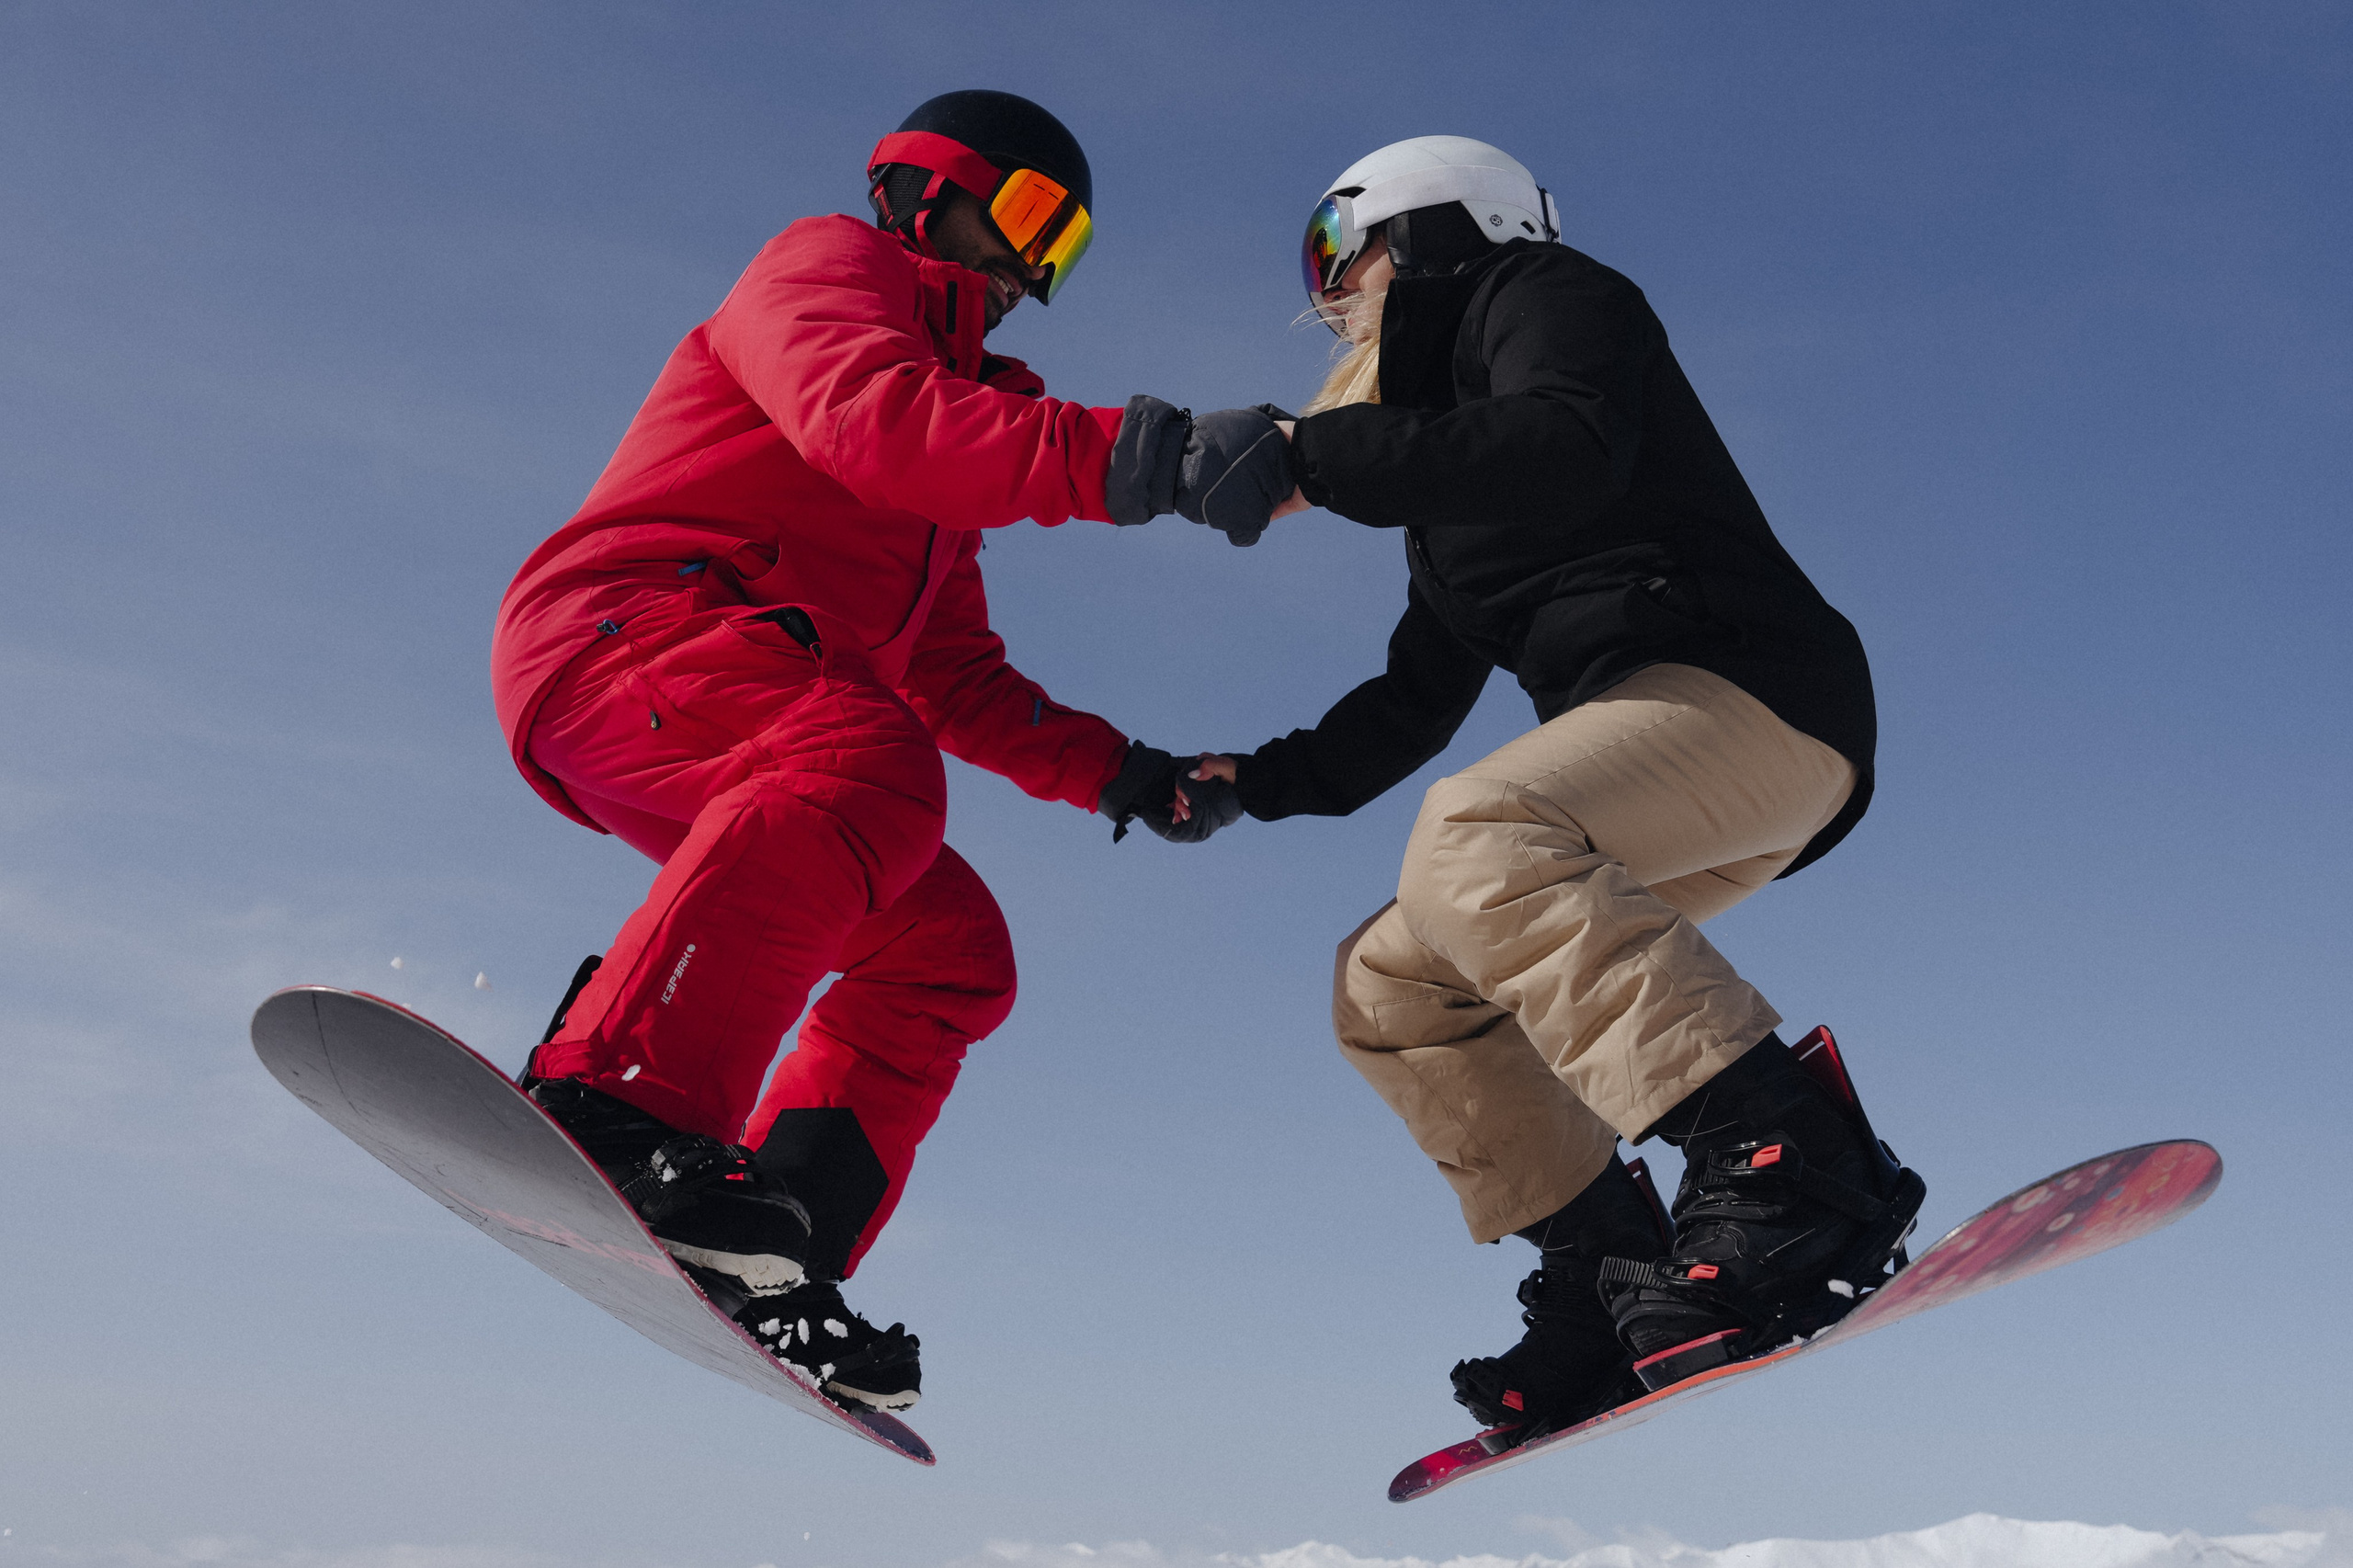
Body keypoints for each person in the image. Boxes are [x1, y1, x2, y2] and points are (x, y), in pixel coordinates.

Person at [488, 90, 1284, 1414]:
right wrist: (1155, 458)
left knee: (951, 948)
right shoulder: (828, 270)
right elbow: (868, 416)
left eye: (1066, 250)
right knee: (872, 762)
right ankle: (618, 1107)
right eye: (1031, 218)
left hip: (751, 704)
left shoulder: (952, 437)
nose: (1034, 271)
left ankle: (769, 1241)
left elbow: (954, 674)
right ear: (927, 189)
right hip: (627, 630)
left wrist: (1126, 772)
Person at [1188, 136, 1926, 1443]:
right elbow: (1413, 699)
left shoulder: (1550, 296)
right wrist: (1256, 783)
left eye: (1336, 249)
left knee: (1477, 833)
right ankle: (1605, 1271)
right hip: (1653, 774)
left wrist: (1315, 457)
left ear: (1434, 226)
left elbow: (1565, 442)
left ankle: (1795, 1168)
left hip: (1756, 695)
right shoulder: (1448, 495)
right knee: (1391, 982)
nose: (1326, 293)